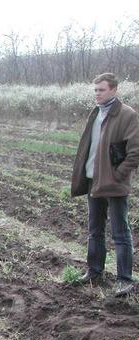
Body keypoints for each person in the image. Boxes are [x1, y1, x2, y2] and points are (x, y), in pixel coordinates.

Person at [71, 72, 138, 297]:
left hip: (114, 183)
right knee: (95, 230)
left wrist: (118, 174)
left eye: (101, 90)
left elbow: (135, 151)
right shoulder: (96, 113)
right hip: (93, 181)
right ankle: (94, 272)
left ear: (114, 90)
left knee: (120, 232)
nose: (97, 94)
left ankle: (125, 280)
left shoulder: (127, 115)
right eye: (95, 90)